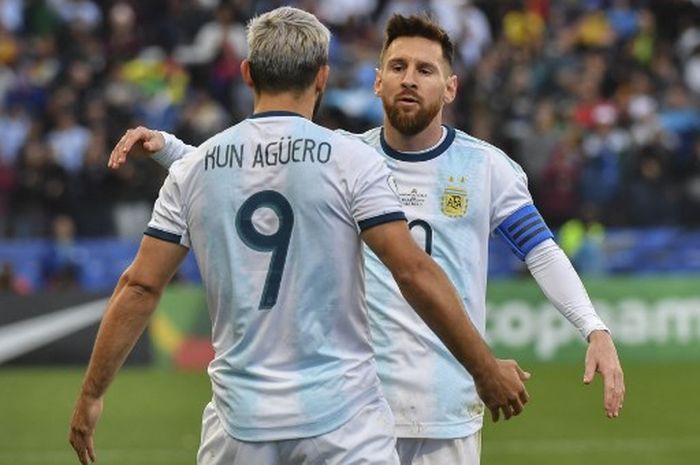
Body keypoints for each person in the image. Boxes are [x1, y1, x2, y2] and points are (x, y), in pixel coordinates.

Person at [108, 13, 625, 465]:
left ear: (450, 88)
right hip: (350, 414)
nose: (409, 80)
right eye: (397, 68)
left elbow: (540, 251)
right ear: (376, 82)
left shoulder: (485, 168)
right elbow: (250, 163)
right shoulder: (341, 158)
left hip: (444, 408)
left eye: (426, 70)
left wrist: (593, 328)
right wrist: (171, 149)